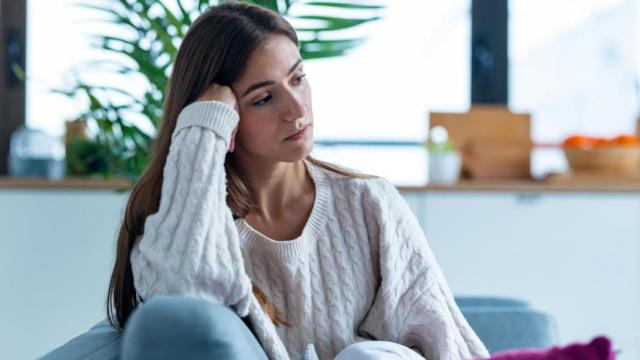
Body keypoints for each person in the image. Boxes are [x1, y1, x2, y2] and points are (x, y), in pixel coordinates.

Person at [105, 2, 490, 360]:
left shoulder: (369, 203)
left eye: (298, 78)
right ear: (224, 117)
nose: (296, 108)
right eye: (263, 99)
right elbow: (183, 308)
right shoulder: (185, 227)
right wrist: (201, 130)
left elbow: (447, 341)